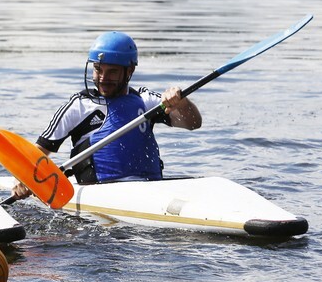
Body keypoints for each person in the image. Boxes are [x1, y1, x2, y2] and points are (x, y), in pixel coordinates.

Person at [11, 31, 202, 200]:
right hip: (101, 194)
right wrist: (23, 179)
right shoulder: (78, 106)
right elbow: (37, 152)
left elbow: (193, 123)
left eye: (112, 72)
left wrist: (181, 102)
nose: (102, 78)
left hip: (150, 188)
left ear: (130, 71)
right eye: (98, 69)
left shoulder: (147, 100)